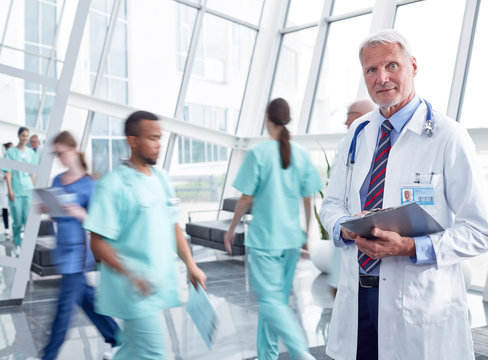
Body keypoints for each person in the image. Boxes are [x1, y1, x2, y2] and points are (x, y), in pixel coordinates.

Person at [320, 29, 488, 360]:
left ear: (413, 66)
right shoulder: (359, 131)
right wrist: (344, 225)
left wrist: (410, 247)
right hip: (359, 297)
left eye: (392, 66)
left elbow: (479, 231)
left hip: (416, 300)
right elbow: (331, 203)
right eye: (371, 70)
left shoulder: (449, 136)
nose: (382, 78)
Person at [83, 110, 207, 359]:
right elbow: (97, 243)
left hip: (156, 284)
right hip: (133, 291)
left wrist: (191, 264)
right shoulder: (113, 184)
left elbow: (173, 225)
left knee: (130, 351)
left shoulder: (163, 179)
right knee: (154, 354)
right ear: (133, 141)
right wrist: (132, 274)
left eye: (159, 138)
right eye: (152, 138)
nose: (158, 145)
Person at [224, 98, 322, 360]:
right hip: (291, 240)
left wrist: (232, 228)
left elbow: (245, 198)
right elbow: (308, 199)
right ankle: (266, 356)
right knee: (273, 304)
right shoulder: (301, 154)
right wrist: (306, 236)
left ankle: (300, 352)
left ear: (268, 118)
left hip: (265, 242)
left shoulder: (259, 153)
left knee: (269, 302)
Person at [38, 131, 120, 360]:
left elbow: (97, 222)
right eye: (57, 154)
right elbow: (56, 218)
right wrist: (48, 209)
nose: (60, 158)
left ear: (73, 150)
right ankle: (118, 339)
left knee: (64, 308)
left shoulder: (90, 185)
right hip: (63, 249)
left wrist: (79, 212)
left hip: (79, 251)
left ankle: (48, 356)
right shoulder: (57, 181)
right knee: (88, 300)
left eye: (62, 153)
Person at [329, 99, 377, 296]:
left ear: (358, 115)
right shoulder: (350, 143)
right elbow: (333, 196)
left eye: (347, 117)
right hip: (350, 234)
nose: (345, 123)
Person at [4, 128, 37, 253]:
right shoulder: (11, 152)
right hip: (16, 191)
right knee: (17, 220)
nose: (25, 138)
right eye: (23, 135)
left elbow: (32, 173)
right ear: (18, 136)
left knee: (28, 220)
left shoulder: (31, 153)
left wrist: (35, 189)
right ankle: (16, 243)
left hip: (28, 190)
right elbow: (8, 173)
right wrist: (10, 190)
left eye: (27, 136)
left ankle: (27, 247)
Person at [1, 143, 13, 236]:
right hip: (4, 188)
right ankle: (6, 228)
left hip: (15, 189)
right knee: (5, 209)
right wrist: (3, 177)